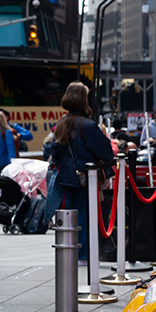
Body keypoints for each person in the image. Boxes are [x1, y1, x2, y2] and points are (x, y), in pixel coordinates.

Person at [48, 83, 114, 265]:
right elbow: (106, 151)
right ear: (83, 99)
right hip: (86, 178)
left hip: (66, 178)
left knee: (70, 217)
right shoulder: (88, 125)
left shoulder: (62, 123)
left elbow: (55, 151)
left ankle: (71, 253)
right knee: (85, 216)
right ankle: (83, 255)